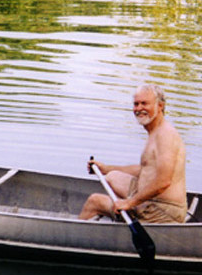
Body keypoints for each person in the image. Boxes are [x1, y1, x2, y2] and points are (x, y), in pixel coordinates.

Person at [79, 84, 187, 223]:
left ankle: (68, 235)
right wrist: (106, 169)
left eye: (144, 103)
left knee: (94, 201)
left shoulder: (165, 135)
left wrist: (130, 203)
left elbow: (163, 181)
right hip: (154, 201)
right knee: (112, 177)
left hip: (162, 210)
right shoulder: (155, 131)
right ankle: (121, 213)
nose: (139, 108)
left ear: (160, 106)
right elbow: (145, 169)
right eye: (136, 104)